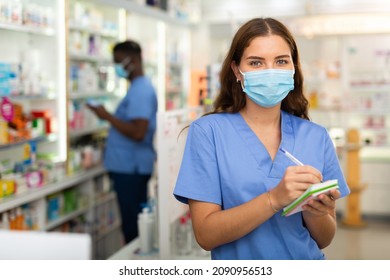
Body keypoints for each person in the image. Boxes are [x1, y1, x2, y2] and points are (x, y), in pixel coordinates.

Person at [173, 18, 350, 259]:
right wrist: (273, 199)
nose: (270, 72)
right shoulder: (208, 132)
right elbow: (205, 235)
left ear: (293, 68)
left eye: (281, 61)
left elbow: (325, 239)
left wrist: (315, 211)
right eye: (256, 62)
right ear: (237, 70)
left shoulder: (315, 136)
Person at [87, 40, 157, 244]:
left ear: (132, 60)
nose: (116, 67)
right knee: (134, 222)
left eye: (118, 62)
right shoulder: (137, 87)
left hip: (131, 169)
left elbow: (138, 132)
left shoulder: (141, 90)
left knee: (133, 226)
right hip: (129, 167)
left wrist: (106, 115)